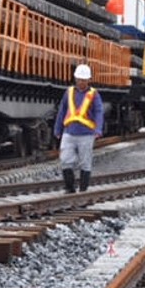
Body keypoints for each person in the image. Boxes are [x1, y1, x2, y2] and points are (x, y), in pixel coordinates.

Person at [53, 64, 103, 193]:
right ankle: (70, 188)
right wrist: (58, 129)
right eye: (79, 79)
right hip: (69, 132)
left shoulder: (94, 94)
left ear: (88, 80)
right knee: (65, 160)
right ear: (75, 79)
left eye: (84, 80)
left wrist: (98, 129)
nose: (81, 82)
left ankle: (83, 190)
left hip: (86, 134)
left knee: (85, 162)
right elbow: (62, 110)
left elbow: (98, 112)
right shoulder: (69, 92)